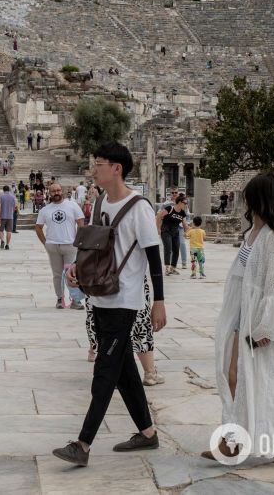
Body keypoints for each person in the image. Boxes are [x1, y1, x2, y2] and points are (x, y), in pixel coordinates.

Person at [52, 142, 165, 467]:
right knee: (123, 369)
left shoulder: (139, 207)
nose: (94, 169)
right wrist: (77, 270)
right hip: (100, 296)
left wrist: (158, 301)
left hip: (125, 301)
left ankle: (83, 444)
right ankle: (147, 433)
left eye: (99, 164)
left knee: (104, 370)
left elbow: (154, 256)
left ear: (117, 168)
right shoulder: (101, 202)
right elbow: (95, 247)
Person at [203, 173, 274, 464]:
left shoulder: (271, 239)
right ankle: (234, 438)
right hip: (243, 311)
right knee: (234, 375)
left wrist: (265, 327)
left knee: (260, 379)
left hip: (261, 320)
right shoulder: (253, 232)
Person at [36, 182, 86, 309]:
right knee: (57, 274)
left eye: (58, 190)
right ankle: (60, 298)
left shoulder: (72, 206)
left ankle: (75, 300)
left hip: (70, 246)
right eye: (53, 191)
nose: (56, 193)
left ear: (61, 191)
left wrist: (79, 242)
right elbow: (38, 227)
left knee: (72, 273)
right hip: (53, 246)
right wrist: (45, 243)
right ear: (49, 193)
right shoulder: (45, 210)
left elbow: (81, 223)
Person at [156, 195, 189, 276]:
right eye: (185, 203)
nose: (186, 204)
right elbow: (159, 217)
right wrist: (158, 229)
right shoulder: (170, 208)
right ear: (180, 202)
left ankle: (173, 268)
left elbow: (185, 224)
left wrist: (189, 231)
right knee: (168, 248)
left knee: (176, 250)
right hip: (166, 230)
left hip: (175, 232)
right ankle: (167, 268)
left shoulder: (182, 212)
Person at [0, 185, 18, 249]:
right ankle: (7, 245)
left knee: (1, 230)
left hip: (2, 216)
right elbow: (15, 207)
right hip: (10, 216)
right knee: (9, 231)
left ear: (3, 190)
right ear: (9, 189)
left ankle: (2, 240)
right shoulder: (13, 197)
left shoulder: (1, 196)